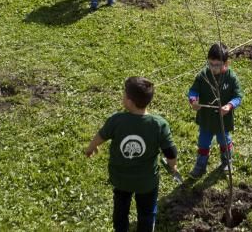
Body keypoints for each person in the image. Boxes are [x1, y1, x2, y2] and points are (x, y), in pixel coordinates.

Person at [84, 76, 178, 232]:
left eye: (124, 94)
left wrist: (90, 148)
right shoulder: (159, 124)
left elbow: (101, 136)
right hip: (147, 182)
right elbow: (170, 151)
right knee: (147, 212)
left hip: (120, 179)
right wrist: (172, 166)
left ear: (129, 100)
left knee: (120, 210)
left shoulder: (116, 120)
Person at [187, 43, 243, 177]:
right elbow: (193, 90)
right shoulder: (203, 75)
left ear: (226, 63)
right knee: (203, 142)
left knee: (224, 140)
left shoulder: (230, 77)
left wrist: (229, 106)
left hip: (223, 119)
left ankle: (226, 161)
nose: (212, 68)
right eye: (210, 64)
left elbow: (238, 96)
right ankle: (200, 166)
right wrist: (193, 101)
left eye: (216, 65)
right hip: (206, 118)